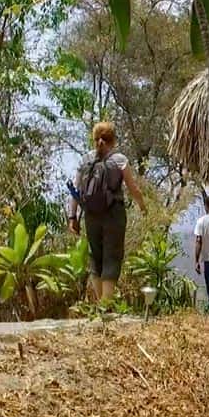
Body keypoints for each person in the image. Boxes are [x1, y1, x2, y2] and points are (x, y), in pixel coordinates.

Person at [68, 122, 146, 302]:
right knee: (112, 255)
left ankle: (99, 303)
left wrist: (73, 217)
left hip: (91, 214)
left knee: (96, 257)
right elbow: (133, 188)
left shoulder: (85, 159)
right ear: (114, 140)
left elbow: (76, 190)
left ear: (94, 139)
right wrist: (142, 206)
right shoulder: (119, 159)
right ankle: (106, 304)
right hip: (114, 213)